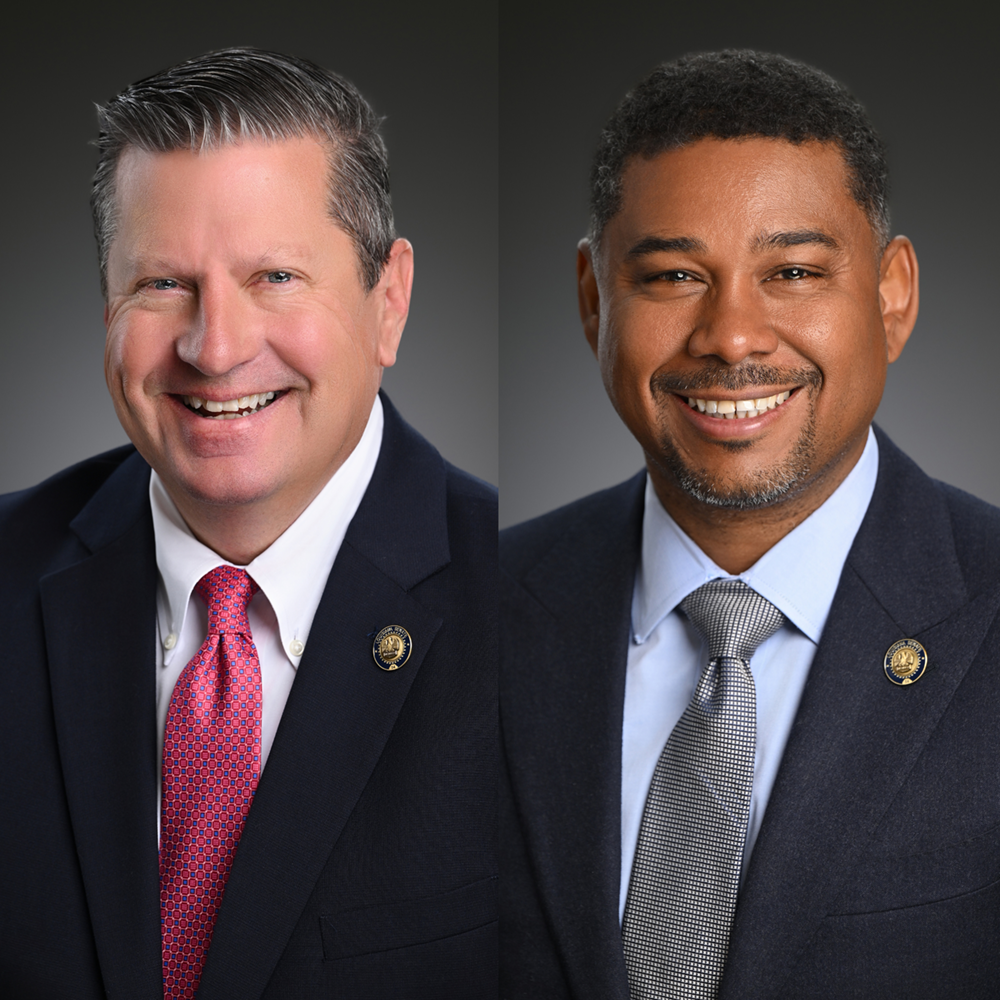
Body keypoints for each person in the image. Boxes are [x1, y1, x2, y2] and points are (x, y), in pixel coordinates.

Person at [499, 50, 1000, 999]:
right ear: (592, 296)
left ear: (892, 295)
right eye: (676, 276)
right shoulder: (478, 610)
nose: (732, 335)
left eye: (795, 271)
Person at [0, 48, 496, 999]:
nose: (214, 347)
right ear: (106, 306)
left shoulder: (532, 607)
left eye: (273, 275)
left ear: (387, 302)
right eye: (161, 285)